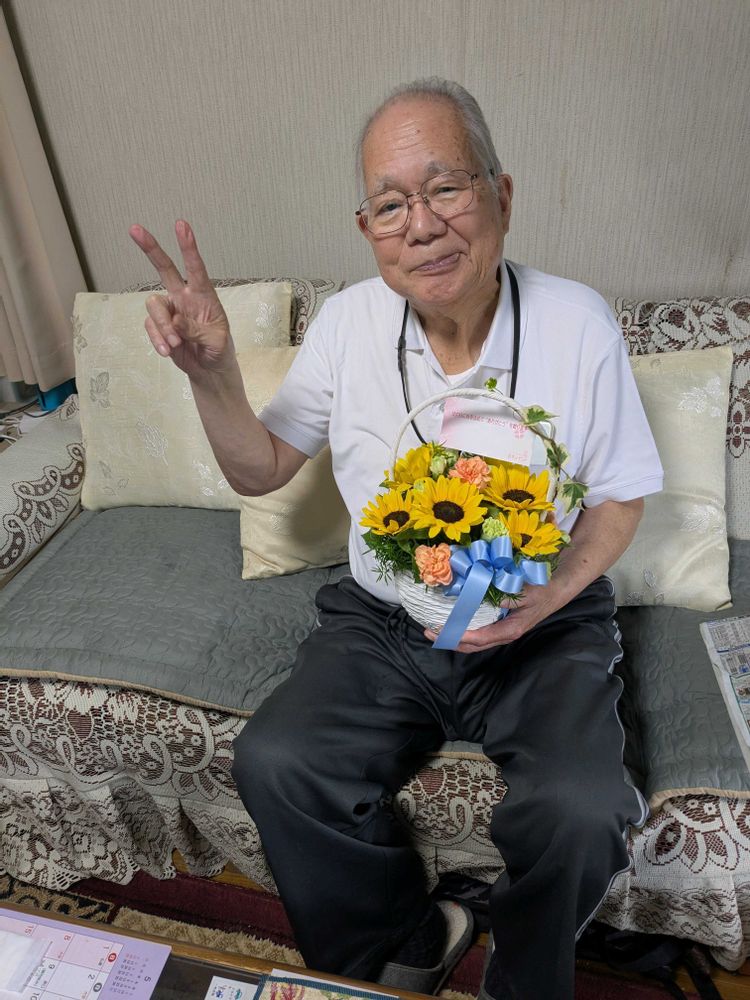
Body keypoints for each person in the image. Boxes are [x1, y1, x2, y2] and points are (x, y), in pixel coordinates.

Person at [130, 78, 662, 1000]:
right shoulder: (348, 323)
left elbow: (618, 499)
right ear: (367, 226)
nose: (421, 225)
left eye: (446, 187)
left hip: (539, 620)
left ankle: (523, 982)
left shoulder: (578, 322)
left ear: (502, 194)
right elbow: (261, 469)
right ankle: (404, 947)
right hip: (385, 620)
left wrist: (546, 596)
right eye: (390, 204)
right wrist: (211, 379)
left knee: (582, 808)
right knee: (278, 760)